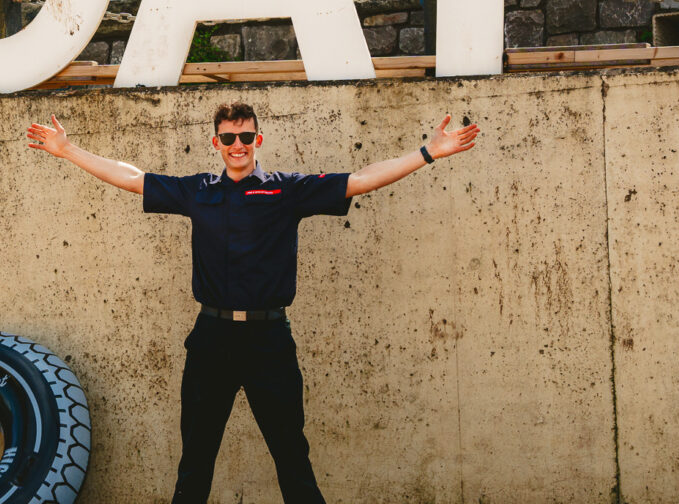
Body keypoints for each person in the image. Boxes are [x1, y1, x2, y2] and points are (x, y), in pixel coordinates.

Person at [24, 103, 479, 503]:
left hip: (268, 340)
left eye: (245, 136)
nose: (237, 144)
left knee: (291, 456)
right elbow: (132, 177)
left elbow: (359, 180)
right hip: (212, 339)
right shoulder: (198, 190)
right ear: (216, 143)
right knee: (196, 459)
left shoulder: (286, 189)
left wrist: (428, 153)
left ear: (257, 139)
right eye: (228, 138)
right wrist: (68, 150)